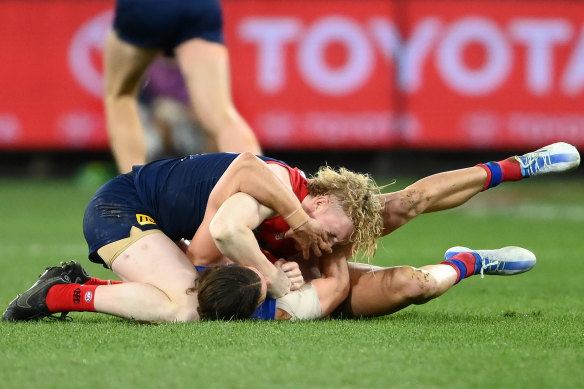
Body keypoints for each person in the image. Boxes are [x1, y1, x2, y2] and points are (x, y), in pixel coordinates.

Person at [3, 152, 382, 322]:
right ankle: (56, 296)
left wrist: (266, 270)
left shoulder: (285, 204)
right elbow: (222, 237)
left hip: (146, 217)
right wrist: (274, 278)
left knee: (188, 290)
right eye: (330, 232)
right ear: (322, 200)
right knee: (185, 307)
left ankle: (76, 283)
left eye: (334, 242)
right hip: (119, 209)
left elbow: (212, 259)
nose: (324, 244)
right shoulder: (277, 190)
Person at [104, 0, 262, 174]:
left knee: (120, 96)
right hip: (199, 6)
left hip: (147, 6)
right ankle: (268, 188)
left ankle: (135, 193)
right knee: (222, 116)